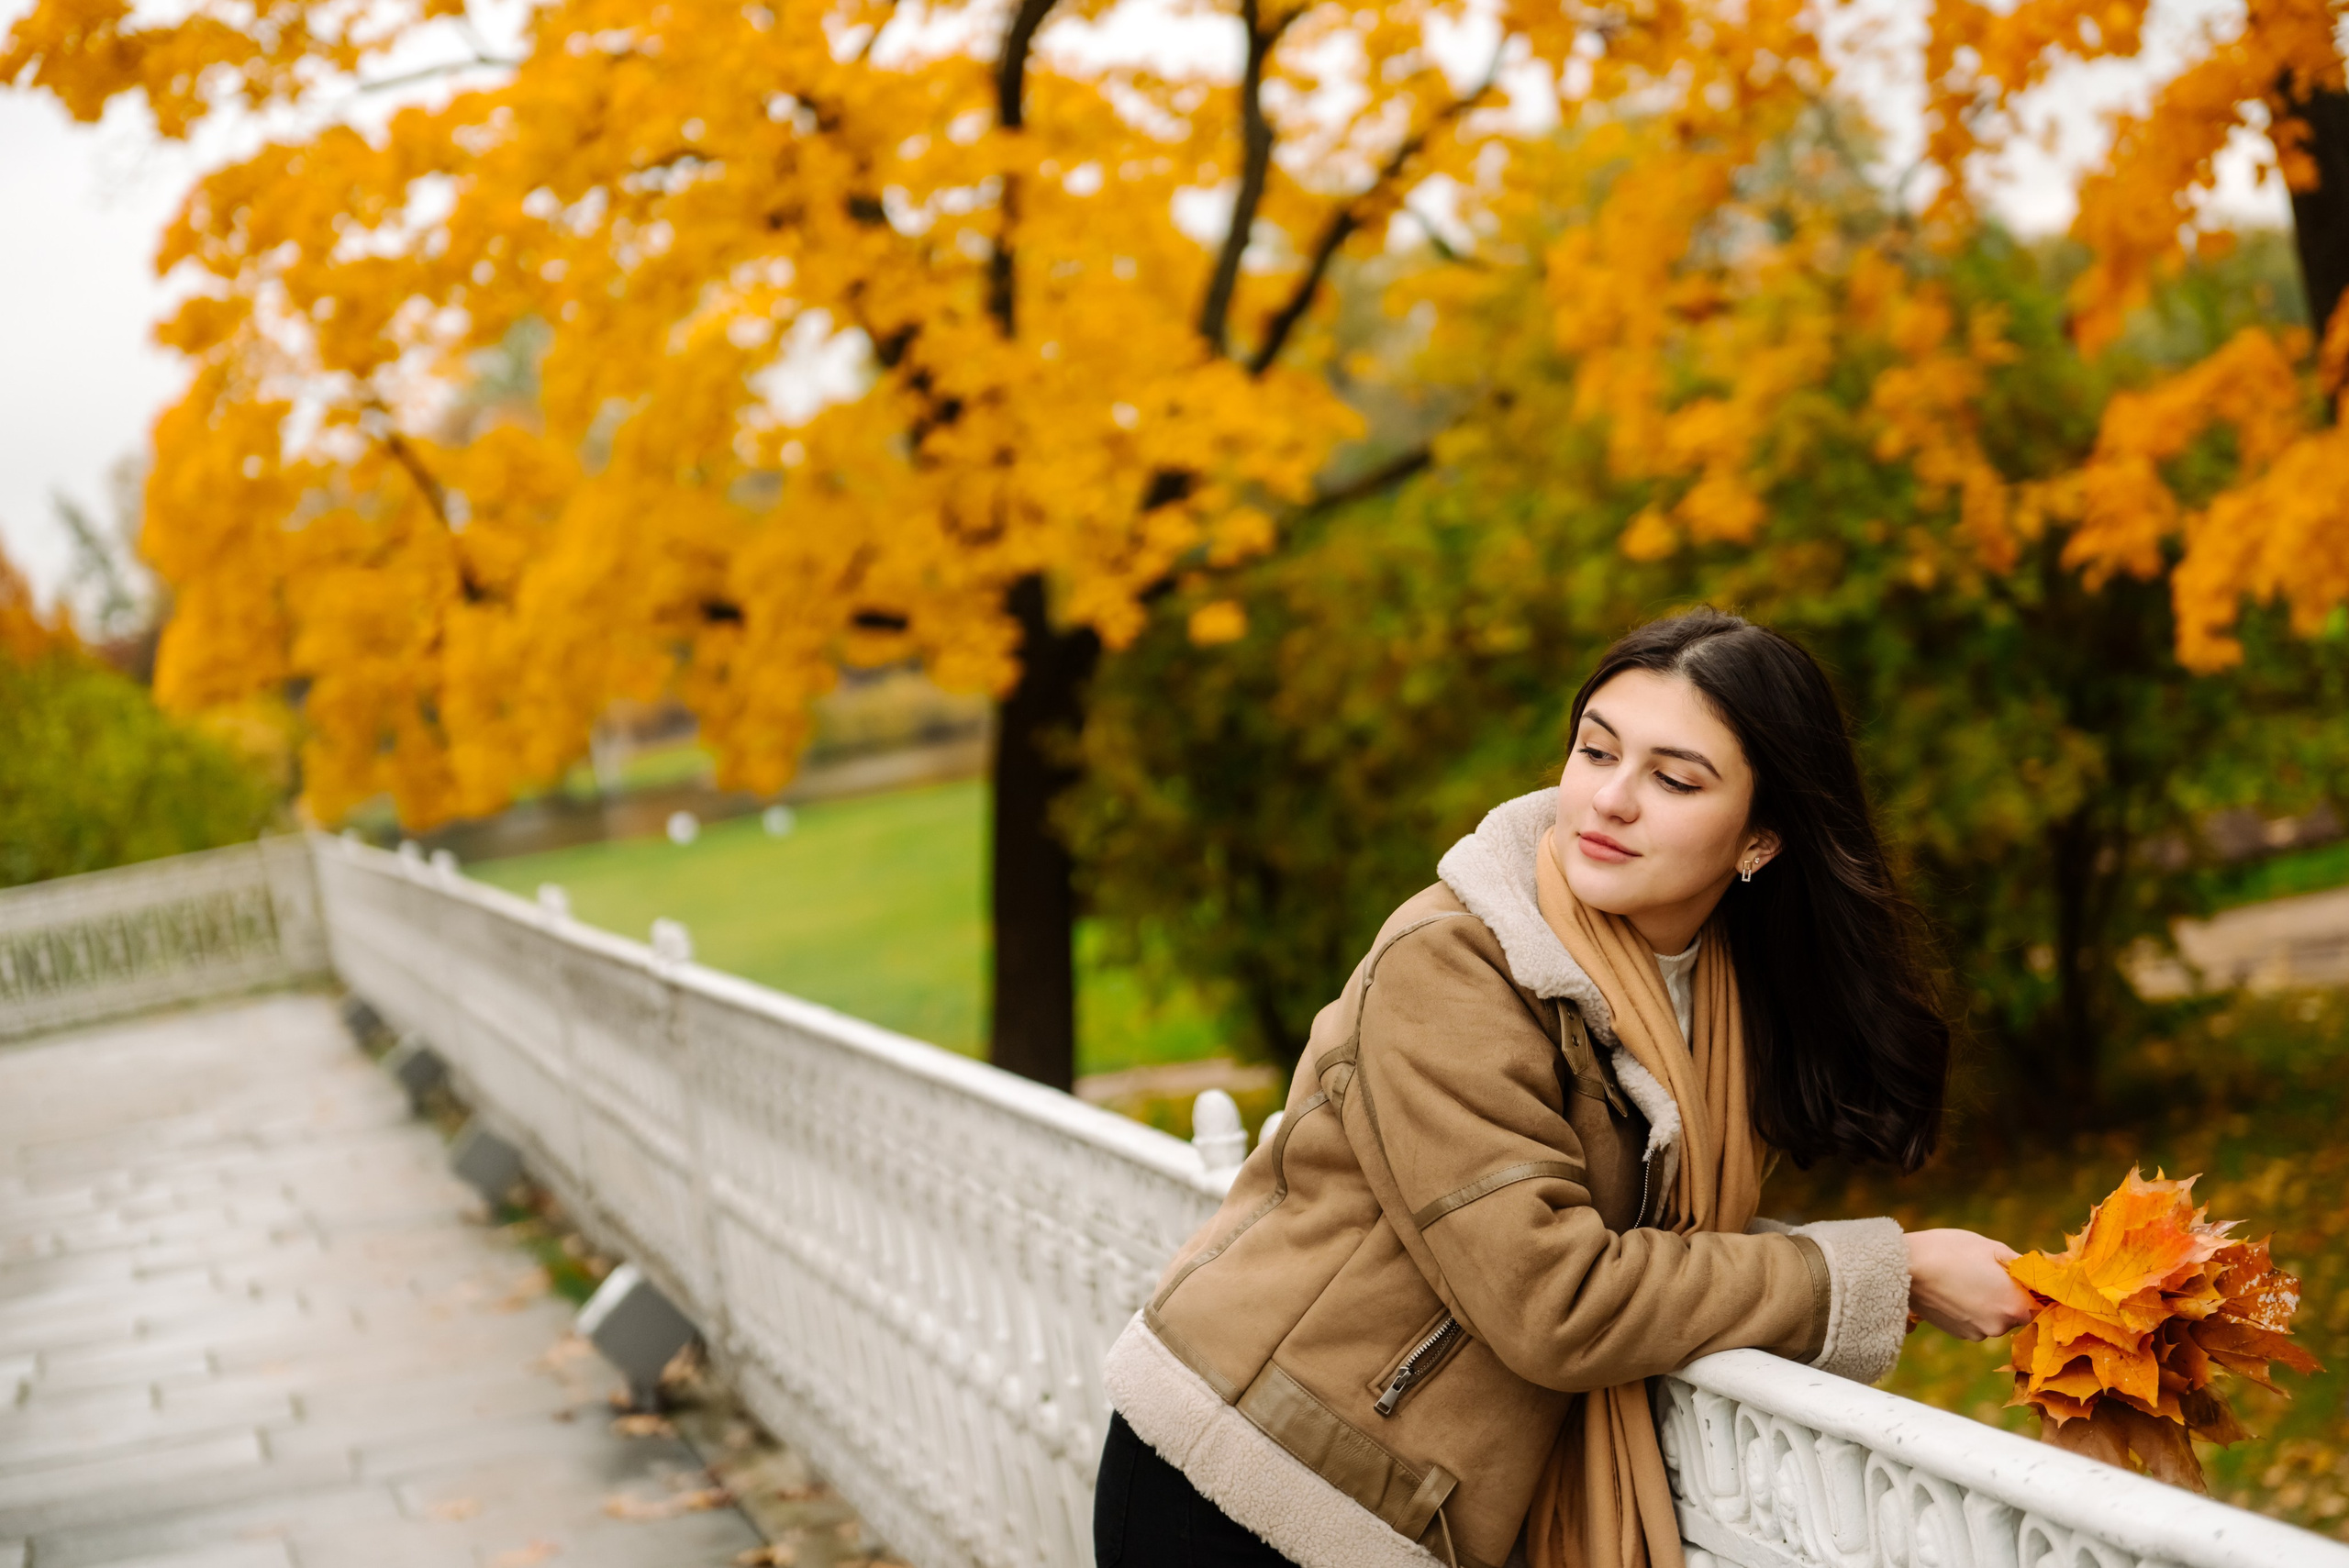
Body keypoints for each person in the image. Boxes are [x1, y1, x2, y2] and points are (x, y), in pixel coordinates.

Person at [1094, 607, 2034, 1568]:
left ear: (1760, 837)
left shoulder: (1714, 1000)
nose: (1609, 799)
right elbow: (1552, 1294)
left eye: (1673, 778)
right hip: (1248, 1486)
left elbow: (1648, 1243)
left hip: (1414, 1502)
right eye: (1596, 751)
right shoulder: (1453, 963)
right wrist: (1891, 1269)